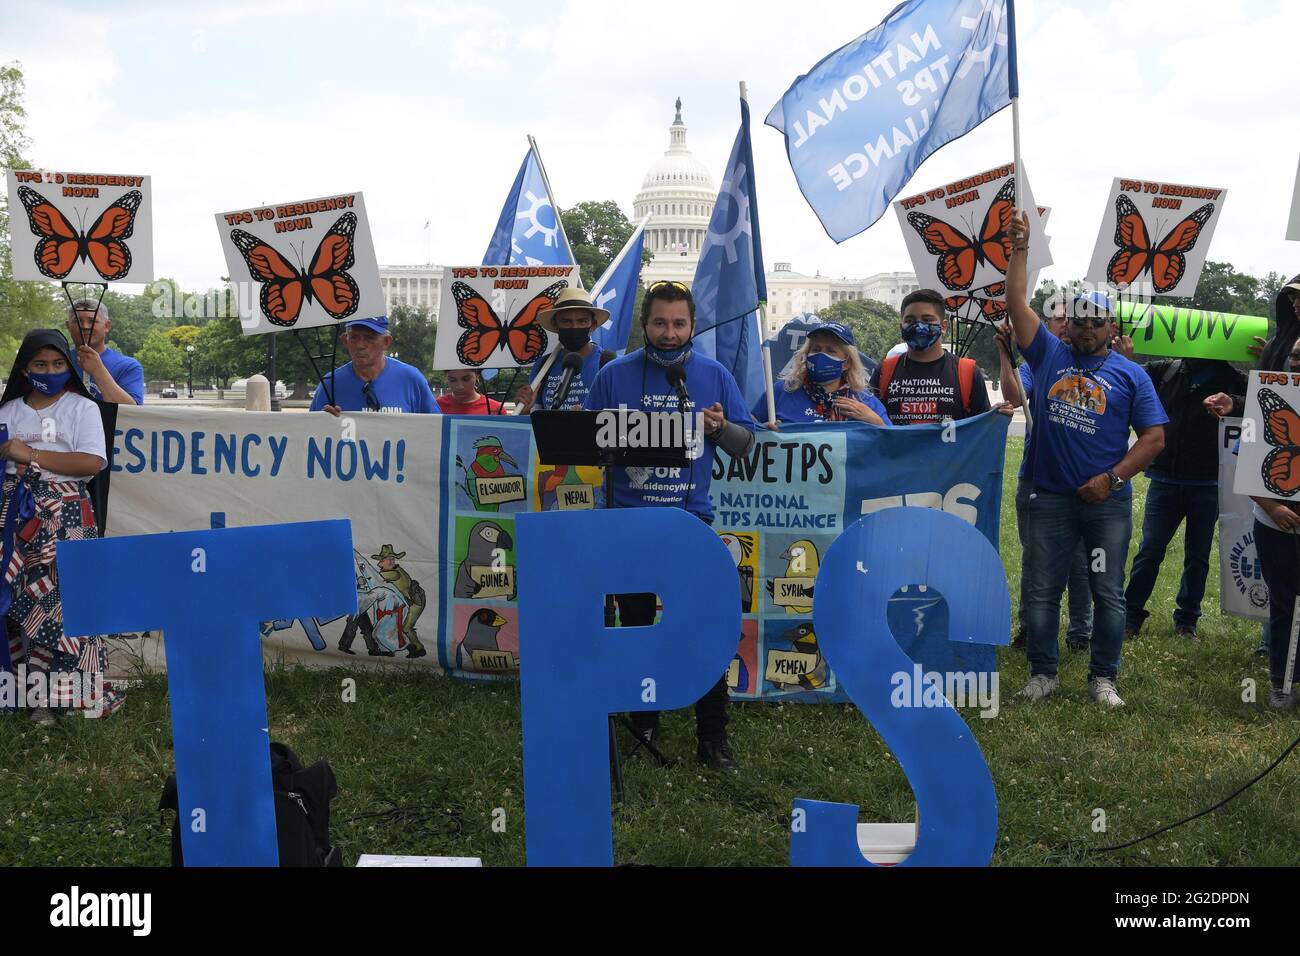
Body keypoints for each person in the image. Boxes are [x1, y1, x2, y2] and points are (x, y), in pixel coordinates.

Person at [584, 280, 756, 770]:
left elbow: (746, 444)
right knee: (637, 625)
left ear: (693, 326)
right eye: (659, 322)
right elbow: (580, 439)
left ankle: (713, 738)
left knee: (706, 628)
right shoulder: (613, 375)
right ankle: (642, 724)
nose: (668, 332)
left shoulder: (713, 375)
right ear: (644, 325)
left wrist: (721, 428)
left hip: (691, 523)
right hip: (627, 523)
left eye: (679, 323)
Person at [1005, 211, 1167, 707]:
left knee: (1107, 593)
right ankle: (1043, 673)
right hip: (1049, 499)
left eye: (1097, 321)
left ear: (1110, 325)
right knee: (1041, 591)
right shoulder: (1050, 355)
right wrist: (1020, 249)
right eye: (1079, 320)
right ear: (1069, 325)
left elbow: (1153, 438)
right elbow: (1015, 304)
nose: (1087, 328)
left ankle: (1102, 678)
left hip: (1106, 503)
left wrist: (1112, 480)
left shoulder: (1130, 375)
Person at [0, 330, 121, 723]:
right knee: (19, 600)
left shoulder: (81, 408)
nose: (49, 371)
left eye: (57, 364)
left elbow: (91, 463)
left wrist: (30, 453)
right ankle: (29, 697)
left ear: (68, 366)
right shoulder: (9, 411)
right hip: (15, 513)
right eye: (40, 364)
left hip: (68, 514)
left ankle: (71, 698)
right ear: (25, 368)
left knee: (65, 603)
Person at [1206, 276, 1300, 706]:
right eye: (1293, 298)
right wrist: (1236, 403)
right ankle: (1282, 683)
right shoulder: (1273, 381)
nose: (1297, 305)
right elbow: (1251, 448)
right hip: (1274, 514)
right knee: (1285, 603)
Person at [1114, 340, 1246, 642]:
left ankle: (1187, 621)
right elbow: (1131, 378)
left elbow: (1257, 397)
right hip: (1166, 480)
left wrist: (1234, 401)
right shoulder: (1168, 369)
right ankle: (1130, 616)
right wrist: (1125, 359)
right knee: (1150, 551)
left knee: (1197, 556)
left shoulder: (1232, 378)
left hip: (1208, 482)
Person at [996, 311, 1094, 652]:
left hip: (1086, 483)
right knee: (1035, 559)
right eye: (1056, 319)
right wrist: (1006, 357)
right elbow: (1012, 397)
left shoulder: (1099, 366)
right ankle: (1031, 629)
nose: (1065, 324)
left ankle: (1081, 632)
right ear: (1045, 327)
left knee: (1082, 563)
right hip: (1037, 479)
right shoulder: (1036, 365)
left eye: (1073, 318)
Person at [869, 289, 992, 424]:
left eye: (927, 319)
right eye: (910, 320)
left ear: (944, 326)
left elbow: (983, 428)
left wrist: (997, 417)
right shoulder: (885, 370)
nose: (918, 326)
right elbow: (869, 425)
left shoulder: (968, 372)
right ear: (901, 327)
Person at [754, 322, 890, 426]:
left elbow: (893, 443)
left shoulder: (865, 400)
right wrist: (764, 433)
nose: (821, 355)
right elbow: (749, 431)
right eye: (816, 349)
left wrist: (875, 421)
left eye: (830, 351)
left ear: (847, 363)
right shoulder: (780, 392)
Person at [310, 316, 438, 415]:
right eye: (354, 337)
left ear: (386, 342)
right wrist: (324, 423)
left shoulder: (411, 379)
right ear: (345, 340)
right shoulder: (329, 384)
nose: (360, 345)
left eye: (369, 338)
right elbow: (310, 436)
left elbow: (436, 430)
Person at [516, 288, 612, 412]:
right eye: (566, 321)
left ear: (593, 325)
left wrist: (589, 418)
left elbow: (619, 416)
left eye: (582, 321)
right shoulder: (543, 366)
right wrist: (524, 410)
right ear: (555, 325)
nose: (574, 327)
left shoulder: (609, 364)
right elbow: (536, 420)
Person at [64, 299, 144, 405]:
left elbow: (133, 414)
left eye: (92, 321)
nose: (85, 326)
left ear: (107, 326)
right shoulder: (59, 361)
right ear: (68, 326)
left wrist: (98, 370)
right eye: (78, 321)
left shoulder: (127, 366)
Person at [437, 369, 504, 415]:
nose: (459, 386)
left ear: (477, 376)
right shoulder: (438, 405)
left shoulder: (495, 408)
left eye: (466, 379)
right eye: (452, 380)